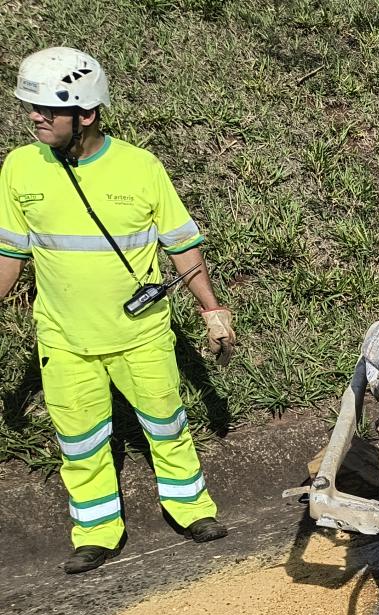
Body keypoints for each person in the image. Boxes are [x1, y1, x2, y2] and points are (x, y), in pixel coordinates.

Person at [0, 47, 237, 574]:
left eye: (47, 109)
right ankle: (97, 531)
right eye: (31, 107)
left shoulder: (139, 167)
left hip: (141, 334)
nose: (34, 117)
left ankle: (190, 508)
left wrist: (211, 310)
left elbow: (181, 245)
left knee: (166, 423)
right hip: (64, 339)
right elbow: (9, 255)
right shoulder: (19, 168)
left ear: (85, 113)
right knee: (79, 443)